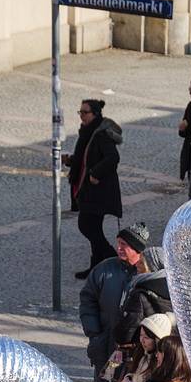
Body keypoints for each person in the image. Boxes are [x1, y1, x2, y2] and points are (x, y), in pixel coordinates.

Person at [80, 224, 143, 382]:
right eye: (118, 243)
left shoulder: (146, 274)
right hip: (106, 349)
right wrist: (95, 333)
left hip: (134, 354)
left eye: (125, 245)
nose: (120, 248)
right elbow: (87, 299)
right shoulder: (105, 270)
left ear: (137, 249)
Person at [65, 98, 123, 274]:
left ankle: (114, 259)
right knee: (93, 227)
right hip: (89, 190)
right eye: (80, 112)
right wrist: (71, 161)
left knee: (87, 225)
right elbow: (86, 158)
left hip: (99, 190)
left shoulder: (101, 134)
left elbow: (112, 158)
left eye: (85, 112)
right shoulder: (88, 131)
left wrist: (95, 173)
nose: (81, 115)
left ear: (95, 114)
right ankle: (97, 267)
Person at [115, 230, 173, 349]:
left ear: (151, 267)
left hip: (145, 350)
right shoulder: (177, 289)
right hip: (170, 348)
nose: (137, 265)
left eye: (141, 263)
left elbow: (125, 333)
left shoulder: (140, 293)